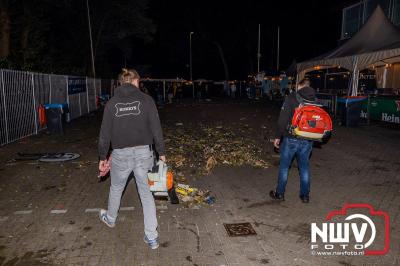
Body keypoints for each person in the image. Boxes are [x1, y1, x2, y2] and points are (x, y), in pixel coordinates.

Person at [98, 68, 166, 249]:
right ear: (135, 81)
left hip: (120, 155)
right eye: (139, 81)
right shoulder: (147, 100)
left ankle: (111, 219)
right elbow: (156, 128)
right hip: (144, 154)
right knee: (146, 194)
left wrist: (102, 156)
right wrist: (162, 152)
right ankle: (151, 237)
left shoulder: (112, 103)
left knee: (116, 187)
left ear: (121, 83)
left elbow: (104, 134)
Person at [270, 78, 315, 203]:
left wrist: (278, 136)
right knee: (304, 167)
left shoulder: (291, 98)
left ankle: (279, 193)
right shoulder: (315, 100)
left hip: (291, 138)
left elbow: (282, 120)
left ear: (299, 86)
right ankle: (305, 196)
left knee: (284, 167)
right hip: (308, 139)